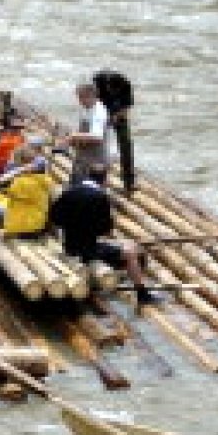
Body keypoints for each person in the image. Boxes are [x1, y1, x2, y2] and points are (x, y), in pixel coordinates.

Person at [49, 164, 155, 305]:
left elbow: (55, 218)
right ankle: (142, 294)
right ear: (105, 180)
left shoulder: (70, 191)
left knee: (122, 248)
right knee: (132, 251)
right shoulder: (100, 197)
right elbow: (106, 231)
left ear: (88, 175)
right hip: (89, 250)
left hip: (70, 246)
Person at [93, 70, 135, 191]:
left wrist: (116, 117)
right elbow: (94, 103)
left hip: (119, 113)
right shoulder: (98, 81)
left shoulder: (125, 85)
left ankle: (129, 181)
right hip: (101, 112)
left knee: (126, 144)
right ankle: (97, 176)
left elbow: (127, 107)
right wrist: (104, 119)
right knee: (98, 144)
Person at [63, 82, 112, 184]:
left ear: (90, 96)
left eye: (81, 98)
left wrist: (73, 136)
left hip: (94, 162)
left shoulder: (98, 112)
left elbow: (97, 137)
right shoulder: (88, 109)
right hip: (83, 159)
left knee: (89, 192)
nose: (80, 101)